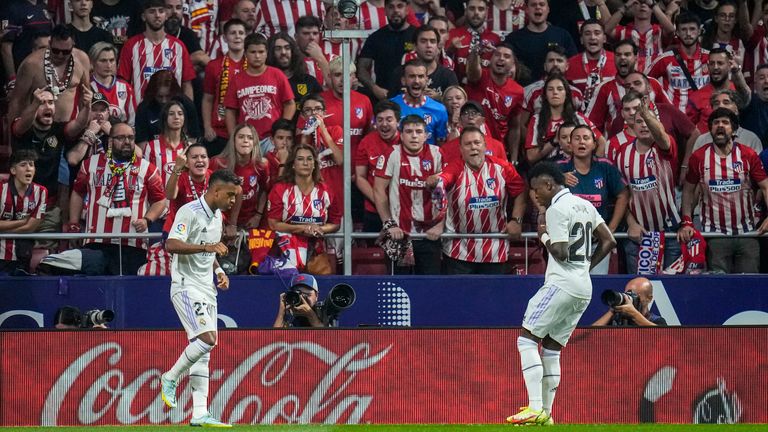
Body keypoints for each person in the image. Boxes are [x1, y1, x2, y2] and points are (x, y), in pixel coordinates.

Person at [506, 161, 615, 425]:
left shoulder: (555, 209)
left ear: (548, 184)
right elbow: (610, 241)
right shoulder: (586, 205)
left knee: (527, 339)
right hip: (583, 287)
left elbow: (561, 252)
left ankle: (534, 407)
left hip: (561, 284)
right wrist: (585, 267)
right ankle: (547, 414)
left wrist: (542, 235)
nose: (534, 196)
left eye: (536, 190)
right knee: (552, 349)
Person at [159, 169, 241, 428]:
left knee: (203, 353)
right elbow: (171, 245)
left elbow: (210, 250)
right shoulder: (189, 211)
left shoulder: (217, 217)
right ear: (215, 191)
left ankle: (199, 413)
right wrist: (207, 248)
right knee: (208, 340)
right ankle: (170, 377)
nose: (232, 201)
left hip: (207, 288)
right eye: (230, 195)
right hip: (185, 286)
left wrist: (218, 271)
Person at [68, 122, 167, 275]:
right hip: (96, 241)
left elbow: (160, 200)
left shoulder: (148, 168)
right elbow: (77, 192)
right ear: (110, 141)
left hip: (133, 243)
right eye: (121, 138)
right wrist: (74, 223)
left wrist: (147, 219)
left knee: (128, 293)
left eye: (131, 138)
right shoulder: (90, 164)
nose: (127, 142)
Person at [679, 108, 768, 273]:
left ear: (734, 130)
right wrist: (686, 221)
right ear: (710, 129)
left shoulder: (748, 155)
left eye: (725, 123)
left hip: (747, 234)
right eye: (716, 123)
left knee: (749, 287)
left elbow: (765, 186)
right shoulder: (698, 157)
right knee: (718, 286)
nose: (720, 126)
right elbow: (688, 191)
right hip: (714, 236)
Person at [428, 126, 526, 274]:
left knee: (491, 297)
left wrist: (516, 220)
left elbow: (521, 192)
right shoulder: (454, 168)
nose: (473, 147)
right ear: (461, 149)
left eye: (477, 143)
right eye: (468, 144)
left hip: (495, 250)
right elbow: (442, 179)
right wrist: (434, 180)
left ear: (485, 146)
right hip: (458, 250)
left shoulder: (503, 168)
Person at [614, 101, 682, 274]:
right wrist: (631, 223)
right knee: (637, 289)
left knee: (672, 289)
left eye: (648, 120)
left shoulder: (664, 146)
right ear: (631, 125)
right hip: (638, 233)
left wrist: (646, 114)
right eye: (639, 121)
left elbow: (661, 136)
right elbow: (622, 195)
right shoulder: (622, 153)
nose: (644, 124)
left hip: (669, 233)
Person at [374, 115, 443, 275]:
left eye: (419, 131)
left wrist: (440, 225)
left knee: (429, 288)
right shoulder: (391, 154)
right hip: (398, 235)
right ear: (401, 134)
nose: (414, 135)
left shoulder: (438, 154)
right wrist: (389, 223)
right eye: (409, 131)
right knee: (398, 288)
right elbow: (378, 190)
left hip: (429, 235)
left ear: (426, 135)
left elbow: (448, 191)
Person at [558, 125, 628, 274]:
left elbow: (623, 195)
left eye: (586, 138)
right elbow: (535, 186)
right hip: (568, 244)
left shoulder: (605, 167)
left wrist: (611, 228)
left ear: (594, 144)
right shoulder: (559, 168)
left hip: (598, 244)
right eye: (576, 138)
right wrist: (559, 179)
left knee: (594, 288)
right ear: (570, 145)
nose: (581, 142)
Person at [267, 144, 341, 269]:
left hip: (317, 253)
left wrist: (320, 229)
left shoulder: (326, 190)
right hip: (286, 252)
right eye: (300, 159)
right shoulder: (280, 189)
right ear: (293, 164)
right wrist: (303, 229)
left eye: (309, 159)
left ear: (315, 164)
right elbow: (273, 224)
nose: (305, 163)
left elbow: (335, 223)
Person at [9, 24, 91, 124]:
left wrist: (84, 126)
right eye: (55, 50)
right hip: (36, 128)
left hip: (67, 128)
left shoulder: (82, 59)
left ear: (73, 45)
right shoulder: (31, 64)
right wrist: (12, 135)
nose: (60, 55)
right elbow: (17, 101)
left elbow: (85, 97)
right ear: (49, 43)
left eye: (66, 52)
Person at [585, 39, 670, 134]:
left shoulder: (653, 83)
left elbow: (669, 113)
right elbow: (592, 123)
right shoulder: (605, 88)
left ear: (636, 57)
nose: (622, 58)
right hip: (618, 144)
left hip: (651, 142)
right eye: (618, 55)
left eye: (627, 54)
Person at [117, 0, 195, 103]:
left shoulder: (179, 46)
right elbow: (122, 83)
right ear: (143, 17)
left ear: (166, 15)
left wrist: (188, 112)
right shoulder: (131, 46)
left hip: (171, 114)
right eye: (152, 12)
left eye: (161, 11)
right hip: (139, 115)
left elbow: (186, 84)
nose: (157, 15)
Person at [225, 32, 295, 143]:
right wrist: (234, 137)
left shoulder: (277, 74)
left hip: (272, 138)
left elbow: (290, 104)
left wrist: (281, 130)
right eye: (253, 52)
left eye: (261, 52)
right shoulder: (236, 79)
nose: (257, 56)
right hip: (247, 139)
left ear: (267, 53)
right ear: (245, 54)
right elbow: (230, 111)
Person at [525, 74, 604, 165]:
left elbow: (602, 142)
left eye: (559, 89)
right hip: (548, 172)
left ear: (566, 94)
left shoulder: (578, 118)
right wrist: (554, 141)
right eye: (550, 89)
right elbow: (531, 157)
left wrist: (594, 166)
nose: (555, 92)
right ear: (545, 95)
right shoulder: (536, 120)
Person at [465, 42, 523, 163]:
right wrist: (477, 52)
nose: (501, 58)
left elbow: (515, 127)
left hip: (497, 149)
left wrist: (514, 159)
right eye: (497, 54)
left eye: (506, 56)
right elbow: (472, 70)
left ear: (513, 63)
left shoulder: (518, 91)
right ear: (491, 59)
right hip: (471, 144)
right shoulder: (480, 76)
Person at [210, 123, 269, 235]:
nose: (245, 140)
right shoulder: (218, 163)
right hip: (222, 222)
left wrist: (258, 215)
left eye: (250, 137)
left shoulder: (262, 165)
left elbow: (264, 190)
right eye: (241, 137)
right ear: (233, 141)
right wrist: (221, 222)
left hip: (249, 222)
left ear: (255, 143)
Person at [504, 0, 577, 86]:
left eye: (542, 4)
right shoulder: (513, 39)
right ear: (526, 9)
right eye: (533, 5)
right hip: (523, 93)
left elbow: (574, 65)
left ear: (548, 9)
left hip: (556, 93)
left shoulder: (562, 35)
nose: (538, 7)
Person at [648, 12, 711, 113]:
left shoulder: (710, 58)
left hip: (703, 120)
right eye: (683, 29)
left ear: (699, 31)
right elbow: (644, 80)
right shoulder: (665, 59)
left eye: (692, 29)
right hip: (674, 120)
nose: (688, 34)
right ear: (677, 32)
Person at [202, 18, 246, 157]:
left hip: (246, 131)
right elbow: (208, 99)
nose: (237, 36)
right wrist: (207, 126)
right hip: (219, 132)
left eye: (241, 33)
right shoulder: (213, 66)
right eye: (233, 33)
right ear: (225, 38)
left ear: (246, 36)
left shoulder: (254, 66)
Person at [355, 101, 401, 234]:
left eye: (389, 120)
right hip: (373, 209)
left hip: (402, 210)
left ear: (398, 122)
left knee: (402, 252)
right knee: (372, 252)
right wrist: (379, 201)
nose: (384, 124)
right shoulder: (367, 142)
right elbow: (360, 177)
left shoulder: (406, 141)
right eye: (380, 120)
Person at [357, 0, 417, 101]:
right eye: (391, 7)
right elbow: (362, 69)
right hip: (384, 98)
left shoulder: (418, 35)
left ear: (407, 9)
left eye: (400, 6)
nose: (395, 10)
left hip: (413, 96)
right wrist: (374, 88)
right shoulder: (375, 38)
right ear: (385, 10)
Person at [0, 150, 48, 275]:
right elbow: (26, 224)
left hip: (23, 254)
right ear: (13, 170)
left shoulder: (42, 192)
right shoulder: (1, 189)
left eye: (31, 165)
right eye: (23, 165)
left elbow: (31, 227)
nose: (28, 169)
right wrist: (22, 222)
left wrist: (3, 230)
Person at [604, 0, 676, 74]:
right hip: (630, 81)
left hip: (655, 82)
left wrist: (653, 4)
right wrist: (625, 7)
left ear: (652, 9)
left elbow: (671, 30)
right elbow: (606, 30)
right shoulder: (623, 31)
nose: (643, 5)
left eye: (647, 3)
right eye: (638, 2)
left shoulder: (659, 31)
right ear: (632, 7)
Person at [134, 69, 201, 148]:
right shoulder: (144, 108)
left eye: (168, 96)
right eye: (160, 96)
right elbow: (142, 145)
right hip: (153, 154)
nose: (164, 101)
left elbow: (193, 138)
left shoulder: (186, 105)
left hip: (182, 152)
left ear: (175, 93)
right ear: (153, 94)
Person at [321, 56, 373, 153]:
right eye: (337, 75)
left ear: (353, 77)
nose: (342, 80)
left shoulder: (364, 101)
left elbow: (369, 134)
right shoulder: (319, 102)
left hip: (357, 164)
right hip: (328, 165)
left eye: (347, 75)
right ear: (329, 76)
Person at [390, 59, 449, 146]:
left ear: (426, 80)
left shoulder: (439, 110)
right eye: (412, 76)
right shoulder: (391, 106)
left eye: (421, 76)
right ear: (403, 80)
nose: (416, 81)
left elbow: (441, 146)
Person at [393, 25, 459, 99]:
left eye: (432, 41)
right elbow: (389, 105)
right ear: (415, 46)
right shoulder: (400, 73)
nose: (428, 45)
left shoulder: (448, 76)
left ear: (437, 46)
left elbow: (456, 105)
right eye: (423, 41)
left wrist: (439, 98)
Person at [266, 32, 323, 115]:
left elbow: (321, 110)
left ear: (293, 51)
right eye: (278, 49)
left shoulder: (309, 81)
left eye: (287, 48)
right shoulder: (264, 82)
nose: (283, 52)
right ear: (270, 53)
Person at [446, 0, 500, 84]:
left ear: (487, 11)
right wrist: (450, 50)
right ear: (465, 10)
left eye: (481, 9)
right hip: (456, 89)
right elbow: (442, 63)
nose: (476, 13)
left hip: (486, 91)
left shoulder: (495, 39)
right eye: (472, 8)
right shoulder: (452, 34)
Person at [143, 100, 190, 195]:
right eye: (171, 114)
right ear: (165, 118)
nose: (176, 117)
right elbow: (145, 176)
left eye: (180, 114)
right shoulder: (151, 146)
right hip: (158, 202)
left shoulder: (189, 147)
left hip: (182, 203)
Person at [565, 19, 616, 104]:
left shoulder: (617, 60)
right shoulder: (569, 64)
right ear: (581, 40)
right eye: (587, 34)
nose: (592, 37)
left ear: (604, 38)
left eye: (597, 33)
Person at [439, 101, 507, 162]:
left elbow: (505, 172)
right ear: (460, 120)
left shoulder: (497, 146)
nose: (470, 117)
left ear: (483, 120)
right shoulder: (447, 148)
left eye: (474, 113)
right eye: (466, 113)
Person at [89, 42, 136, 124]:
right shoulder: (86, 86)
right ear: (92, 62)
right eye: (103, 61)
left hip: (120, 135)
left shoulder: (125, 87)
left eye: (112, 60)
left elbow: (133, 121)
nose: (109, 65)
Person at [591, 277, 667, 326]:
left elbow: (661, 334)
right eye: (627, 294)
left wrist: (634, 314)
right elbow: (591, 335)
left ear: (649, 298)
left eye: (635, 295)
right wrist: (612, 311)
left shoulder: (656, 320)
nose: (630, 299)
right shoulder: (618, 318)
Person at [164, 0, 210, 71]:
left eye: (178, 8)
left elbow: (200, 57)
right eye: (169, 7)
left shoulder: (187, 33)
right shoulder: (152, 32)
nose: (174, 12)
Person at [253, 0, 325, 38]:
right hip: (277, 61)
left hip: (309, 59)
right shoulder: (264, 4)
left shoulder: (317, 3)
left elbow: (322, 31)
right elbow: (257, 34)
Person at [293, 15, 328, 87]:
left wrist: (320, 58)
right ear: (296, 37)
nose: (312, 37)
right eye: (306, 33)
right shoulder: (290, 62)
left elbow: (339, 87)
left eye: (315, 33)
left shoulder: (332, 59)